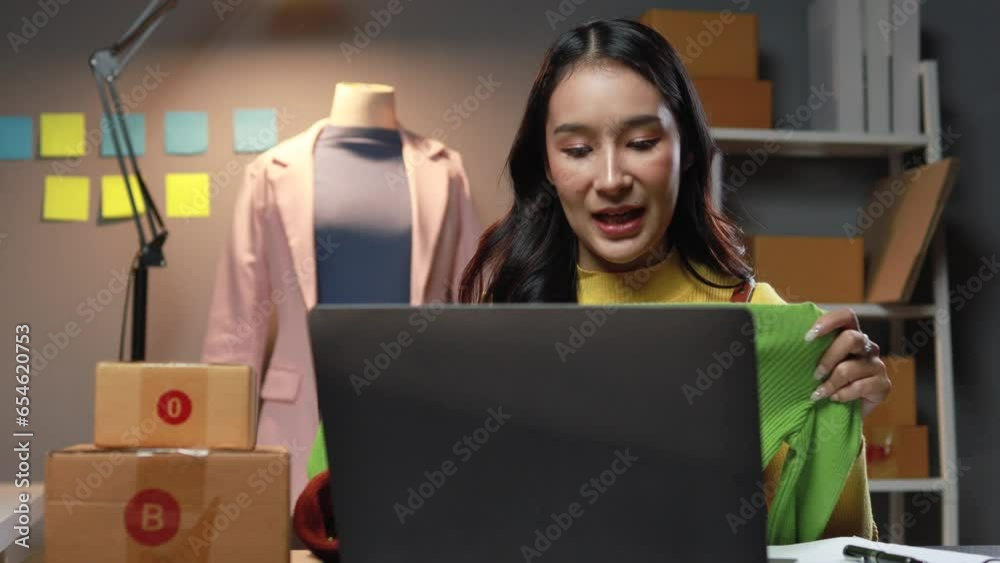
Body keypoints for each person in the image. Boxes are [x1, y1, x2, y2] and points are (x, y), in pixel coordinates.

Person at [458, 18, 889, 539]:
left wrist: (846, 417)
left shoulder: (764, 324)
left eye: (641, 142)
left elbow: (838, 549)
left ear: (686, 149)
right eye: (577, 150)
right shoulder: (491, 333)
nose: (612, 179)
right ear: (547, 165)